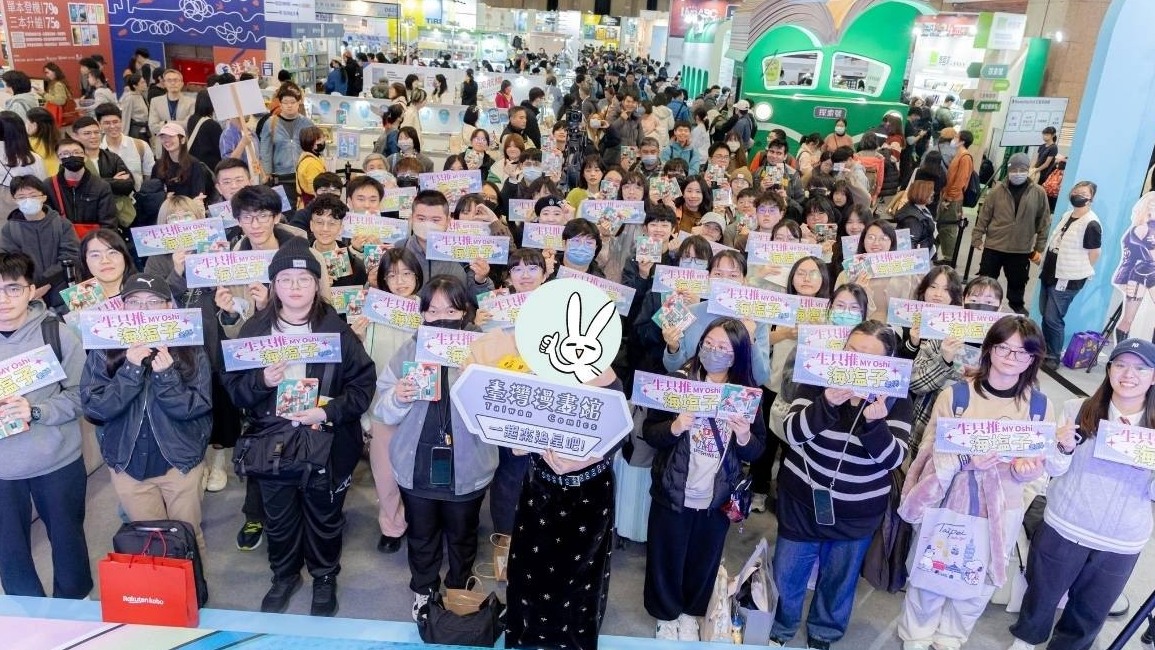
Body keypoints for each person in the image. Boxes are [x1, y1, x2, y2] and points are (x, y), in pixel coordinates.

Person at [221, 240, 375, 617]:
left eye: (304, 279)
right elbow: (234, 389)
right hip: (272, 444)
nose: (294, 287)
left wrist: (327, 412)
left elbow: (362, 385)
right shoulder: (255, 330)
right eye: (285, 279)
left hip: (325, 442)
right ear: (273, 285)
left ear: (317, 285)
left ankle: (324, 576)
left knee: (325, 516)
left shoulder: (336, 331)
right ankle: (284, 575)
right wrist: (262, 381)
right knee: (279, 519)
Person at [899, 316, 1060, 650]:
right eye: (1004, 348)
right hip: (950, 501)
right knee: (931, 571)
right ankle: (916, 636)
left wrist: (1025, 470)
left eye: (1022, 351)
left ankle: (950, 637)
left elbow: (1037, 467)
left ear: (1033, 358)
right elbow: (928, 452)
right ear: (989, 348)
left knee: (978, 579)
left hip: (1001, 510)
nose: (1011, 357)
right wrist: (963, 460)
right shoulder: (956, 396)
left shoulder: (1039, 407)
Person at [1006, 338, 1155, 650]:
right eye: (1121, 365)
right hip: (1066, 524)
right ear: (1109, 369)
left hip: (1121, 539)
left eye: (1141, 368)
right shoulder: (1078, 410)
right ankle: (1025, 640)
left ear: (1153, 377)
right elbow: (1053, 469)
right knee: (1041, 592)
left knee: (1090, 612)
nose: (1129, 374)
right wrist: (1061, 447)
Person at [772, 320, 911, 650]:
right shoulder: (818, 376)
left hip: (857, 510)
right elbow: (791, 433)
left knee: (839, 579)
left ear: (887, 362)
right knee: (787, 572)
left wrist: (875, 423)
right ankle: (780, 627)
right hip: (802, 498)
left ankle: (824, 633)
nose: (856, 362)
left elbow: (893, 459)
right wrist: (827, 403)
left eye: (868, 356)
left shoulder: (895, 394)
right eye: (851, 351)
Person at [373, 274, 497, 620]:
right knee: (422, 534)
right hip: (416, 462)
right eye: (433, 311)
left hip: (469, 463)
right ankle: (424, 589)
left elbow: (501, 407)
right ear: (423, 314)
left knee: (463, 534)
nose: (442, 319)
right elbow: (382, 408)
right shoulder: (410, 348)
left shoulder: (483, 347)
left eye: (451, 311)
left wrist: (478, 377)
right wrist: (398, 397)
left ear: (465, 311)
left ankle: (459, 587)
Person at [644, 316, 767, 641]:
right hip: (674, 490)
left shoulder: (746, 396)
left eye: (723, 347)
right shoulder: (678, 382)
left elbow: (757, 450)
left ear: (738, 354)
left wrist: (743, 436)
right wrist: (675, 426)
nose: (713, 351)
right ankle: (665, 616)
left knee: (704, 559)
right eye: (708, 344)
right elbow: (650, 432)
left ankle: (690, 613)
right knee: (666, 557)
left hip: (717, 498)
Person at [80, 272, 213, 557]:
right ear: (122, 308)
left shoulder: (190, 348)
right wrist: (130, 370)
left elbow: (196, 406)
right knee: (150, 544)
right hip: (128, 465)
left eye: (153, 302)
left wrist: (166, 376)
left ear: (169, 307)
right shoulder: (104, 349)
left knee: (188, 537)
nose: (143, 310)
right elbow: (95, 408)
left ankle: (195, 584)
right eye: (135, 302)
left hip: (180, 463)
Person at [0, 252, 90, 600]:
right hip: (3, 472)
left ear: (31, 290)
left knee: (68, 543)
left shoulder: (56, 333)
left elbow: (83, 395)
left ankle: (75, 608)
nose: (4, 299)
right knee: (9, 552)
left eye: (12, 289)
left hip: (57, 461)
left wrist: (36, 411)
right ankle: (32, 616)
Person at [359, 248, 423, 554]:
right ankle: (392, 525)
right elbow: (359, 365)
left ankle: (420, 522)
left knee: (418, 469)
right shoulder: (371, 312)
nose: (401, 281)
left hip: (420, 405)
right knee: (384, 473)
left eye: (407, 273)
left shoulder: (429, 309)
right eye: (392, 275)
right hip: (381, 406)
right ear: (383, 279)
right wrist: (355, 335)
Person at [973, 153, 1052, 315]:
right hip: (994, 245)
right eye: (1014, 170)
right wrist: (977, 236)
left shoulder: (1038, 192)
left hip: (1021, 248)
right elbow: (984, 215)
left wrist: (1040, 246)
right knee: (986, 278)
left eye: (1022, 170)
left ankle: (1016, 304)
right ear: (1008, 170)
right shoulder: (997, 191)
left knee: (1018, 281)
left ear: (1028, 170)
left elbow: (1043, 221)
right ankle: (981, 303)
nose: (1017, 173)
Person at [1038, 181, 1101, 370]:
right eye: (1076, 191)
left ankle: (1053, 356)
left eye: (1083, 193)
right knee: (1045, 314)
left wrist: (1079, 270)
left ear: (1091, 198)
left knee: (1053, 318)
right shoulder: (1067, 215)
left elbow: (1095, 253)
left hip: (1068, 278)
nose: (1078, 195)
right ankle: (1044, 351)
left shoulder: (1091, 223)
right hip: (1050, 272)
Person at [1, 176, 79, 309]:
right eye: (22, 197)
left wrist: (47, 283)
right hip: (29, 296)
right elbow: (9, 264)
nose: (28, 201)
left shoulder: (62, 224)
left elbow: (71, 256)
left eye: (33, 195)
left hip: (66, 290)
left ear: (43, 197)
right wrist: (30, 287)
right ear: (15, 200)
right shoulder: (9, 229)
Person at [258, 83, 314, 207]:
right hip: (280, 178)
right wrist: (266, 173)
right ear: (280, 103)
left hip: (303, 177)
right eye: (285, 102)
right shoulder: (270, 123)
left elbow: (314, 149)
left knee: (304, 210)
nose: (289, 105)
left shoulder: (307, 123)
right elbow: (265, 151)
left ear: (299, 102)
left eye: (293, 102)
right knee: (284, 211)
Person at [47, 137, 117, 230]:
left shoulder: (101, 186)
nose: (72, 156)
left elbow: (109, 223)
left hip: (94, 237)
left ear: (85, 156)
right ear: (58, 159)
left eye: (77, 152)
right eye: (65, 153)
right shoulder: (49, 185)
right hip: (63, 237)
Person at [96, 104, 155, 191]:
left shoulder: (140, 145)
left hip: (138, 196)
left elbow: (149, 176)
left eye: (115, 122)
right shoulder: (97, 150)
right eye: (107, 123)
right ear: (99, 124)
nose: (112, 126)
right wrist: (113, 182)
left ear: (121, 121)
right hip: (109, 198)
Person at [152, 122, 215, 202]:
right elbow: (153, 192)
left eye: (171, 136)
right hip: (166, 208)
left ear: (182, 140)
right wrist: (164, 197)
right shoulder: (158, 165)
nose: (166, 140)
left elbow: (198, 195)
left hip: (188, 208)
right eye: (163, 137)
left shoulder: (194, 165)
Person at [938, 130, 974, 263]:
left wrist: (949, 198)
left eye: (956, 137)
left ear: (962, 141)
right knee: (943, 226)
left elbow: (960, 181)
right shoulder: (959, 154)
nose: (954, 139)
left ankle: (949, 258)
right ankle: (942, 253)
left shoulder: (965, 157)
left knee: (949, 228)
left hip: (953, 198)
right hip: (948, 195)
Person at [148, 70, 195, 147]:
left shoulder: (191, 102)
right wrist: (179, 124)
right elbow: (153, 126)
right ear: (164, 83)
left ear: (182, 84)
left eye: (176, 80)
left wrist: (165, 123)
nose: (173, 83)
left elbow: (189, 124)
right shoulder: (155, 102)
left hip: (183, 145)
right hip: (163, 146)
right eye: (169, 80)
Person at [894, 179, 938, 256]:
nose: (933, 193)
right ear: (922, 194)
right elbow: (909, 246)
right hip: (918, 257)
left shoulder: (919, 209)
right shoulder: (913, 219)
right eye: (930, 191)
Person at [185, 90, 223, 172]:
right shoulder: (212, 125)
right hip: (210, 167)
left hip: (194, 163)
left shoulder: (191, 119)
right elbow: (220, 149)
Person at [294, 126, 327, 209]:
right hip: (312, 205)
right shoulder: (311, 163)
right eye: (319, 139)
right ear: (311, 143)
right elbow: (316, 189)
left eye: (323, 137)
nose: (323, 140)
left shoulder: (309, 157)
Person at [26, 108, 61, 176]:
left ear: (34, 125)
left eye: (27, 122)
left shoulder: (30, 143)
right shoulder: (54, 139)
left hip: (42, 179)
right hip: (56, 177)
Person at [119, 72, 151, 141]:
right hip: (137, 132)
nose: (145, 84)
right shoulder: (130, 98)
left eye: (144, 82)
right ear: (135, 86)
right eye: (142, 83)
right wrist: (124, 137)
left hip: (145, 131)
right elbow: (126, 117)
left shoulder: (142, 95)